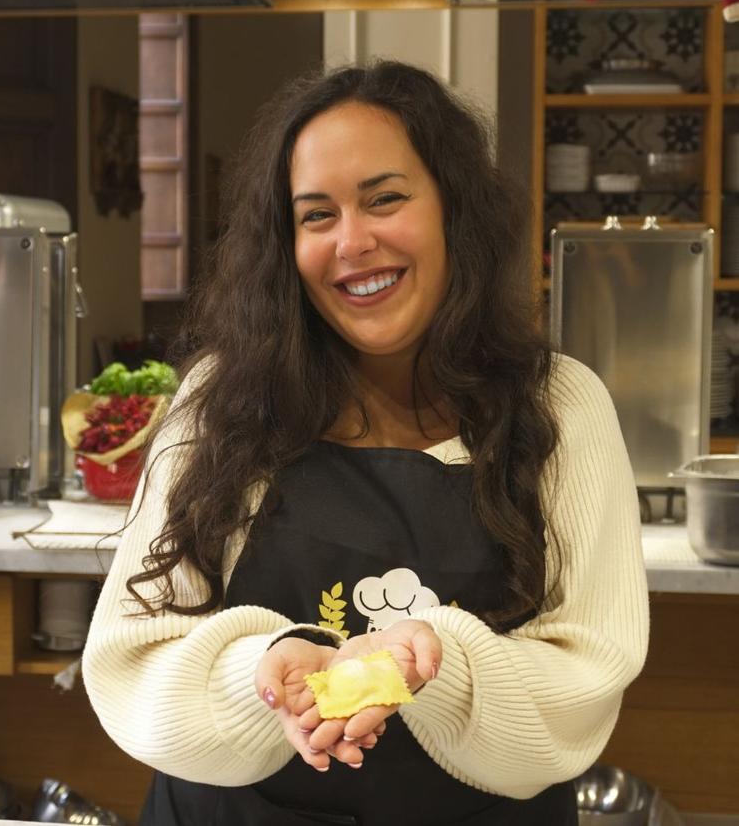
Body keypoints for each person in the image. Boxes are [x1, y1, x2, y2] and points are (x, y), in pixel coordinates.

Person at [82, 60, 649, 826]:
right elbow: (130, 662)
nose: (352, 241)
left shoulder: (560, 406)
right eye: (317, 215)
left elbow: (585, 683)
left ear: (455, 210)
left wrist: (433, 665)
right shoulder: (223, 399)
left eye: (385, 199)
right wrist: (266, 676)